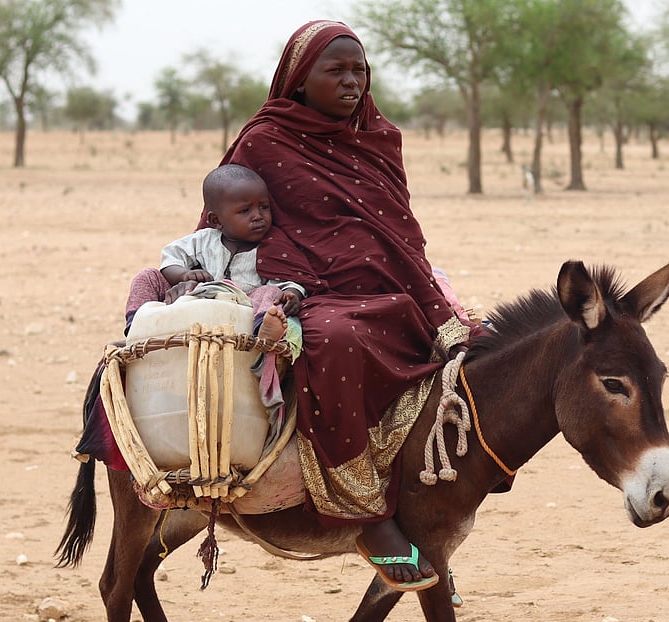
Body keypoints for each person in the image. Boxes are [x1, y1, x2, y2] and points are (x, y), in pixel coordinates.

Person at [205, 20, 479, 592]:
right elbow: (225, 224)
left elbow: (402, 233)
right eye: (336, 70)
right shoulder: (264, 141)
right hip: (306, 289)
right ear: (301, 80)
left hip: (388, 285)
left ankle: (423, 503)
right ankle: (365, 517)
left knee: (470, 354)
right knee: (333, 339)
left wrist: (435, 302)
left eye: (359, 69)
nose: (351, 80)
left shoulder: (380, 137)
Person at [124, 163, 304, 342]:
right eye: (245, 210)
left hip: (243, 311)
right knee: (147, 276)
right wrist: (185, 275)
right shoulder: (203, 240)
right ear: (216, 220)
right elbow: (171, 258)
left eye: (264, 207)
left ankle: (262, 332)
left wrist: (292, 293)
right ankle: (137, 328)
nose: (258, 216)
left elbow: (288, 278)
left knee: (270, 292)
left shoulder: (273, 246)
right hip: (196, 303)